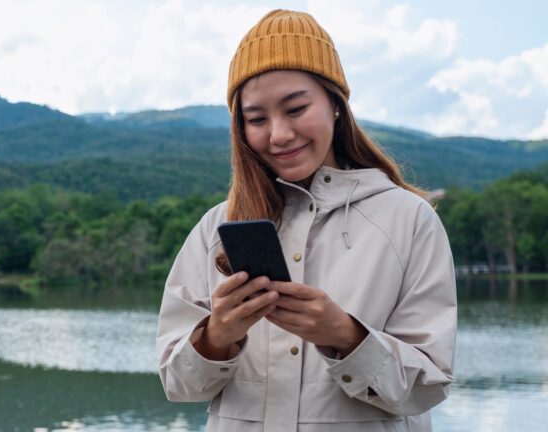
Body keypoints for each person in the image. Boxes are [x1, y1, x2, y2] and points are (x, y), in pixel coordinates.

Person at [156, 9, 456, 432]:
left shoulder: (409, 220)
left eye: (296, 108)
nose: (278, 134)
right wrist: (216, 337)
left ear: (335, 103)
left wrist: (346, 336)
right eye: (256, 119)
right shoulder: (217, 227)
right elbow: (177, 384)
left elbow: (428, 387)